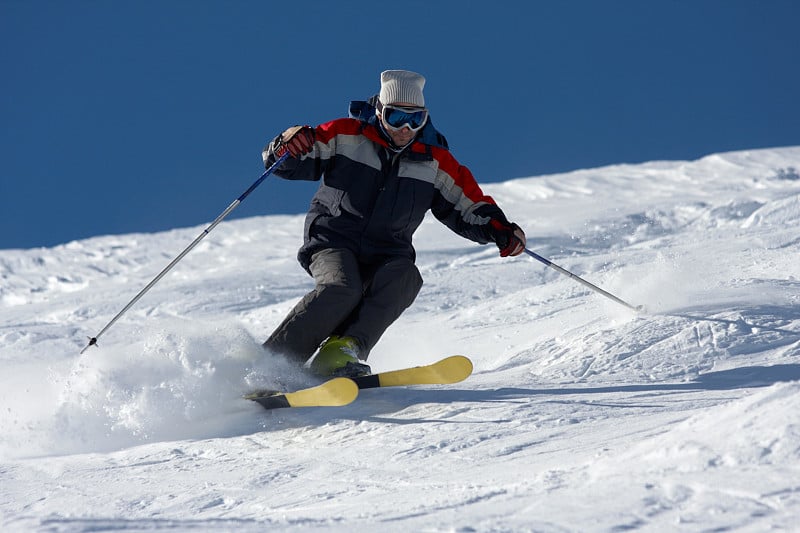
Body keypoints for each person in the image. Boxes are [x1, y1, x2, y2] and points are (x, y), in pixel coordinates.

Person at [261, 70, 526, 378]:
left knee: (405, 278)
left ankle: (341, 350)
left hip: (388, 251)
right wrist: (289, 142)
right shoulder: (346, 135)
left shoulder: (435, 161)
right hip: (335, 238)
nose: (405, 128)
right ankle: (273, 365)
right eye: (396, 116)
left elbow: (469, 205)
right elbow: (287, 159)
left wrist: (501, 229)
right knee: (341, 288)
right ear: (379, 111)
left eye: (416, 119)